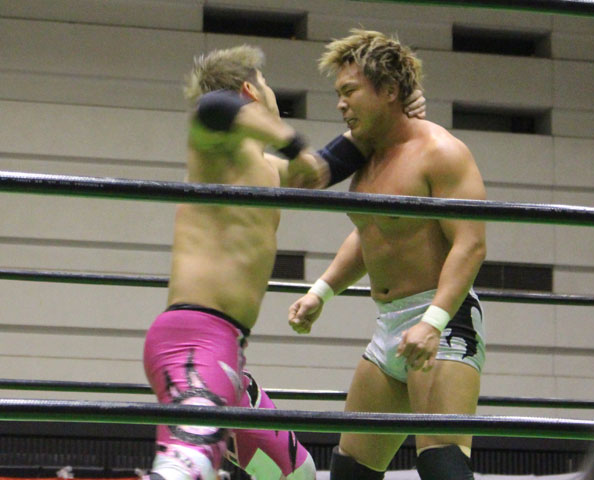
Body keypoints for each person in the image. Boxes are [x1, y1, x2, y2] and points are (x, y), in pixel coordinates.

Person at [142, 44, 427, 480]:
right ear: (250, 91)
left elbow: (330, 164)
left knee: (295, 473)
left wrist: (398, 112)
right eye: (267, 85)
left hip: (228, 352)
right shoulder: (213, 152)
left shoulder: (267, 169)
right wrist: (293, 143)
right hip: (194, 342)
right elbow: (214, 107)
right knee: (186, 464)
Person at [288, 29, 487, 480]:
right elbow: (371, 231)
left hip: (443, 318)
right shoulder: (369, 159)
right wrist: (322, 290)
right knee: (351, 469)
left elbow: (470, 243)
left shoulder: (440, 152)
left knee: (441, 463)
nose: (341, 105)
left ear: (390, 90)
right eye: (339, 94)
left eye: (350, 91)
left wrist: (432, 322)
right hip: (390, 324)